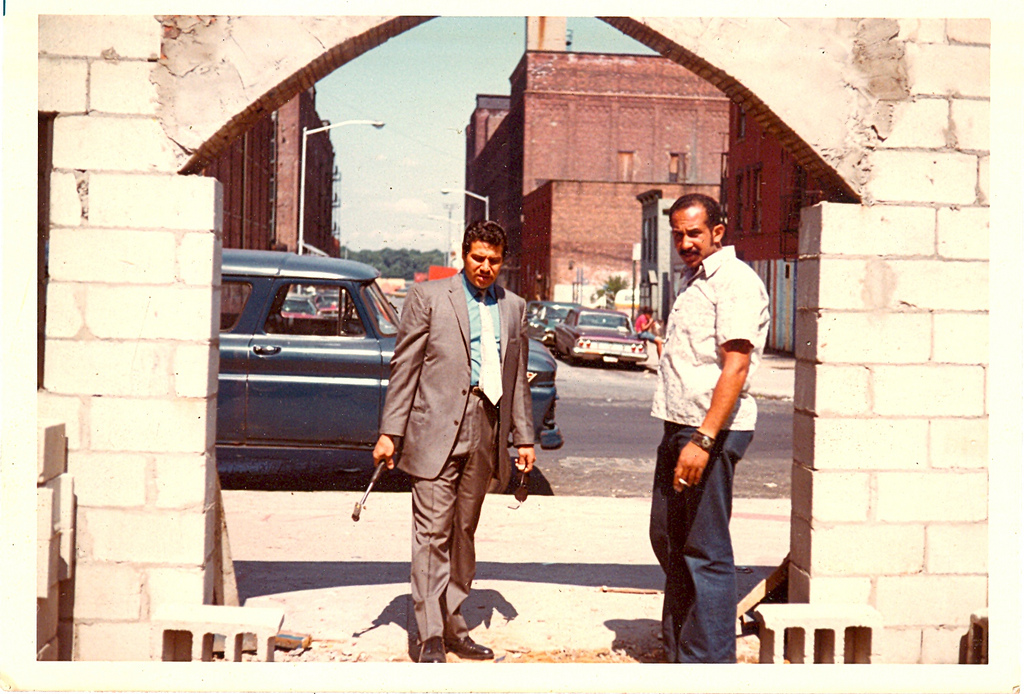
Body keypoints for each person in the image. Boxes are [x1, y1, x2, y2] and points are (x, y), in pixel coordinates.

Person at [372, 220, 536, 664]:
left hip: (485, 430)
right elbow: (404, 367)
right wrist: (391, 432)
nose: (485, 268)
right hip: (434, 430)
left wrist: (524, 437)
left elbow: (515, 377)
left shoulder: (513, 307)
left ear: (504, 262)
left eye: (494, 261)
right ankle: (427, 636)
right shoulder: (429, 297)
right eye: (477, 258)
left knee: (463, 531)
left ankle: (453, 624)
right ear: (462, 256)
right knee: (431, 534)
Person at [649, 193, 769, 663]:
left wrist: (703, 439)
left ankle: (709, 665)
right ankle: (682, 649)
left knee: (705, 549)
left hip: (709, 433)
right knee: (668, 538)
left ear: (718, 232)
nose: (684, 242)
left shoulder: (734, 282)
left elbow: (735, 367)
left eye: (693, 233)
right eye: (677, 233)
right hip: (679, 426)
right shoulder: (693, 280)